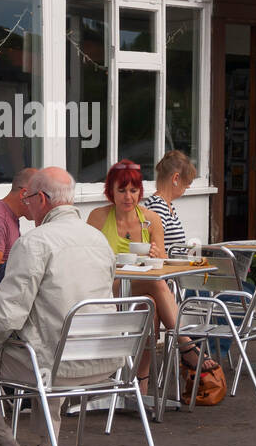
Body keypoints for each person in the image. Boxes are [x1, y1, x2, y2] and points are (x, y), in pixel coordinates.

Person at [0, 167, 117, 446]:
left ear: (41, 198)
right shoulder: (99, 240)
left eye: (28, 200)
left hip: (55, 366)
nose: (27, 207)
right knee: (48, 346)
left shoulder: (35, 242)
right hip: (104, 361)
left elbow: (8, 314)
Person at [86, 159, 218, 384]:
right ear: (111, 191)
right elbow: (86, 259)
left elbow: (162, 265)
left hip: (138, 290)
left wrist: (158, 257)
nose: (128, 197)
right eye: (122, 190)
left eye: (133, 190)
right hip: (108, 288)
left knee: (151, 304)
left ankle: (141, 386)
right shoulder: (98, 217)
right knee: (155, 286)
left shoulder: (151, 219)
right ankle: (186, 345)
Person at [142, 151, 197, 250]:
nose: (188, 186)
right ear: (175, 178)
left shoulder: (165, 205)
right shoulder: (158, 206)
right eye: (187, 181)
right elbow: (157, 250)